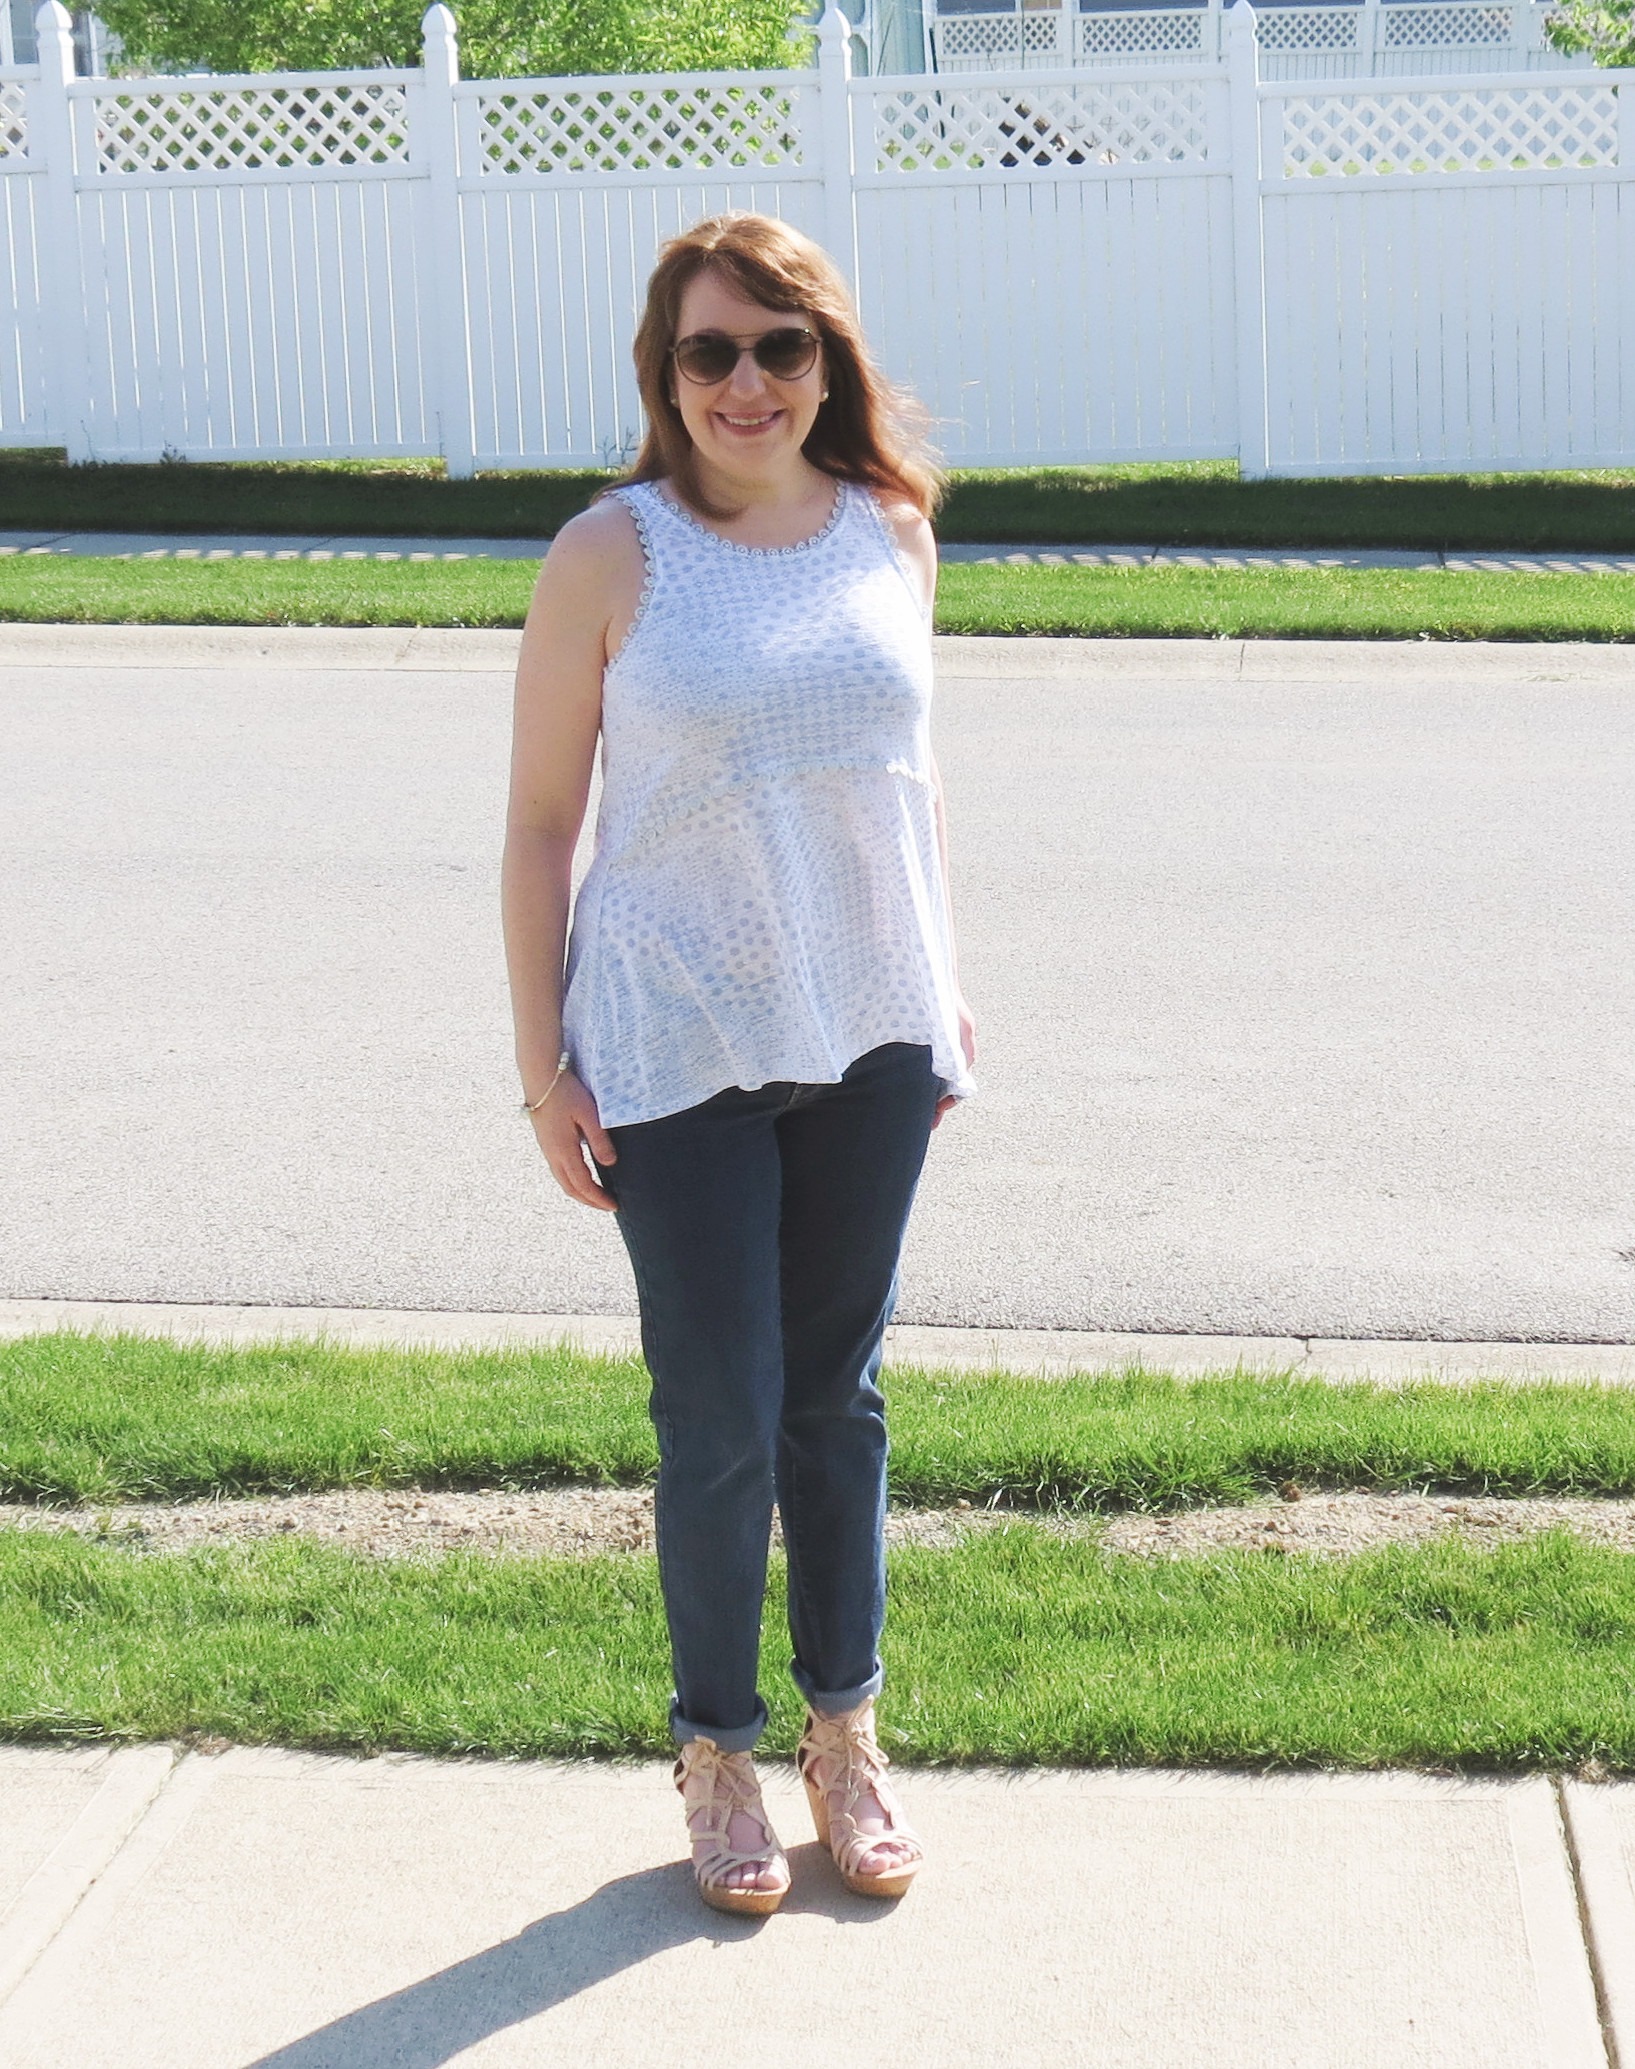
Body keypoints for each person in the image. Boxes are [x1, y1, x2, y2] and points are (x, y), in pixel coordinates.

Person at [501, 211, 976, 1918]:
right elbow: (547, 822)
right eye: (712, 351)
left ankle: (845, 1740)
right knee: (716, 1414)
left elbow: (906, 780)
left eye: (782, 346)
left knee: (832, 1402)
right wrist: (543, 1055)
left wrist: (947, 976)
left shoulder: (892, 530)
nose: (749, 382)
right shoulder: (608, 555)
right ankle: (718, 1752)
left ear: (826, 359)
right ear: (666, 373)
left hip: (868, 1024)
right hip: (671, 1036)